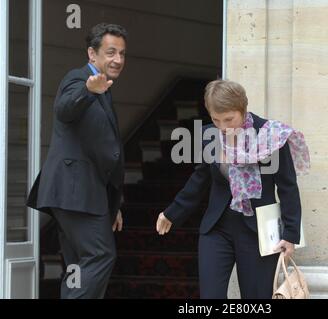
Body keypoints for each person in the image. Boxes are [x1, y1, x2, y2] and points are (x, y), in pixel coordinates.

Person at [156, 79, 310, 298]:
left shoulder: (272, 135)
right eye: (216, 119)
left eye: (229, 119)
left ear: (243, 109)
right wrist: (172, 212)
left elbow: (287, 187)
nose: (223, 127)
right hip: (217, 229)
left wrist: (291, 234)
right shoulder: (209, 135)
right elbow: (199, 179)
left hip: (258, 233)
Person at [26, 23, 128, 298]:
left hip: (85, 194)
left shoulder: (104, 87)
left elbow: (103, 150)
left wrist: (113, 202)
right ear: (92, 54)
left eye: (121, 53)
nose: (117, 59)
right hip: (74, 192)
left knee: (77, 267)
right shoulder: (79, 78)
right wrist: (88, 90)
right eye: (110, 52)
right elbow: (64, 109)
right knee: (100, 255)